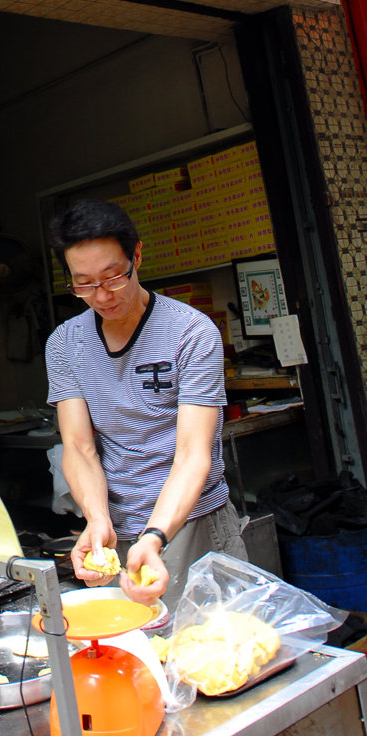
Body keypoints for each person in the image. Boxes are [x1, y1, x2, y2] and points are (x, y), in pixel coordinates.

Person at [45, 198, 246, 612]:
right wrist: (97, 519)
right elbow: (79, 447)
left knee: (211, 642)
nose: (101, 296)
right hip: (116, 527)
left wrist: (155, 536)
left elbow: (192, 454)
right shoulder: (65, 343)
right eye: (84, 284)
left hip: (193, 522)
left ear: (136, 256)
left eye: (112, 277)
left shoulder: (191, 332)